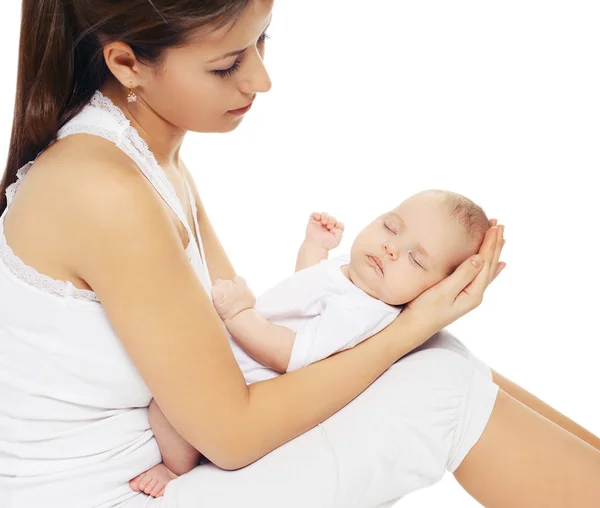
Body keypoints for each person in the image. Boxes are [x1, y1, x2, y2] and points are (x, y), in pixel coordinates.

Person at [0, 1, 598, 508]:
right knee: (441, 389)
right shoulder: (101, 188)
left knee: (439, 358)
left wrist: (412, 327)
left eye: (261, 40)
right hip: (115, 493)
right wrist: (410, 322)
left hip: (162, 466)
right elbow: (233, 432)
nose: (260, 79)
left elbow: (238, 337)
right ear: (127, 63)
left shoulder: (148, 160)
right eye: (228, 62)